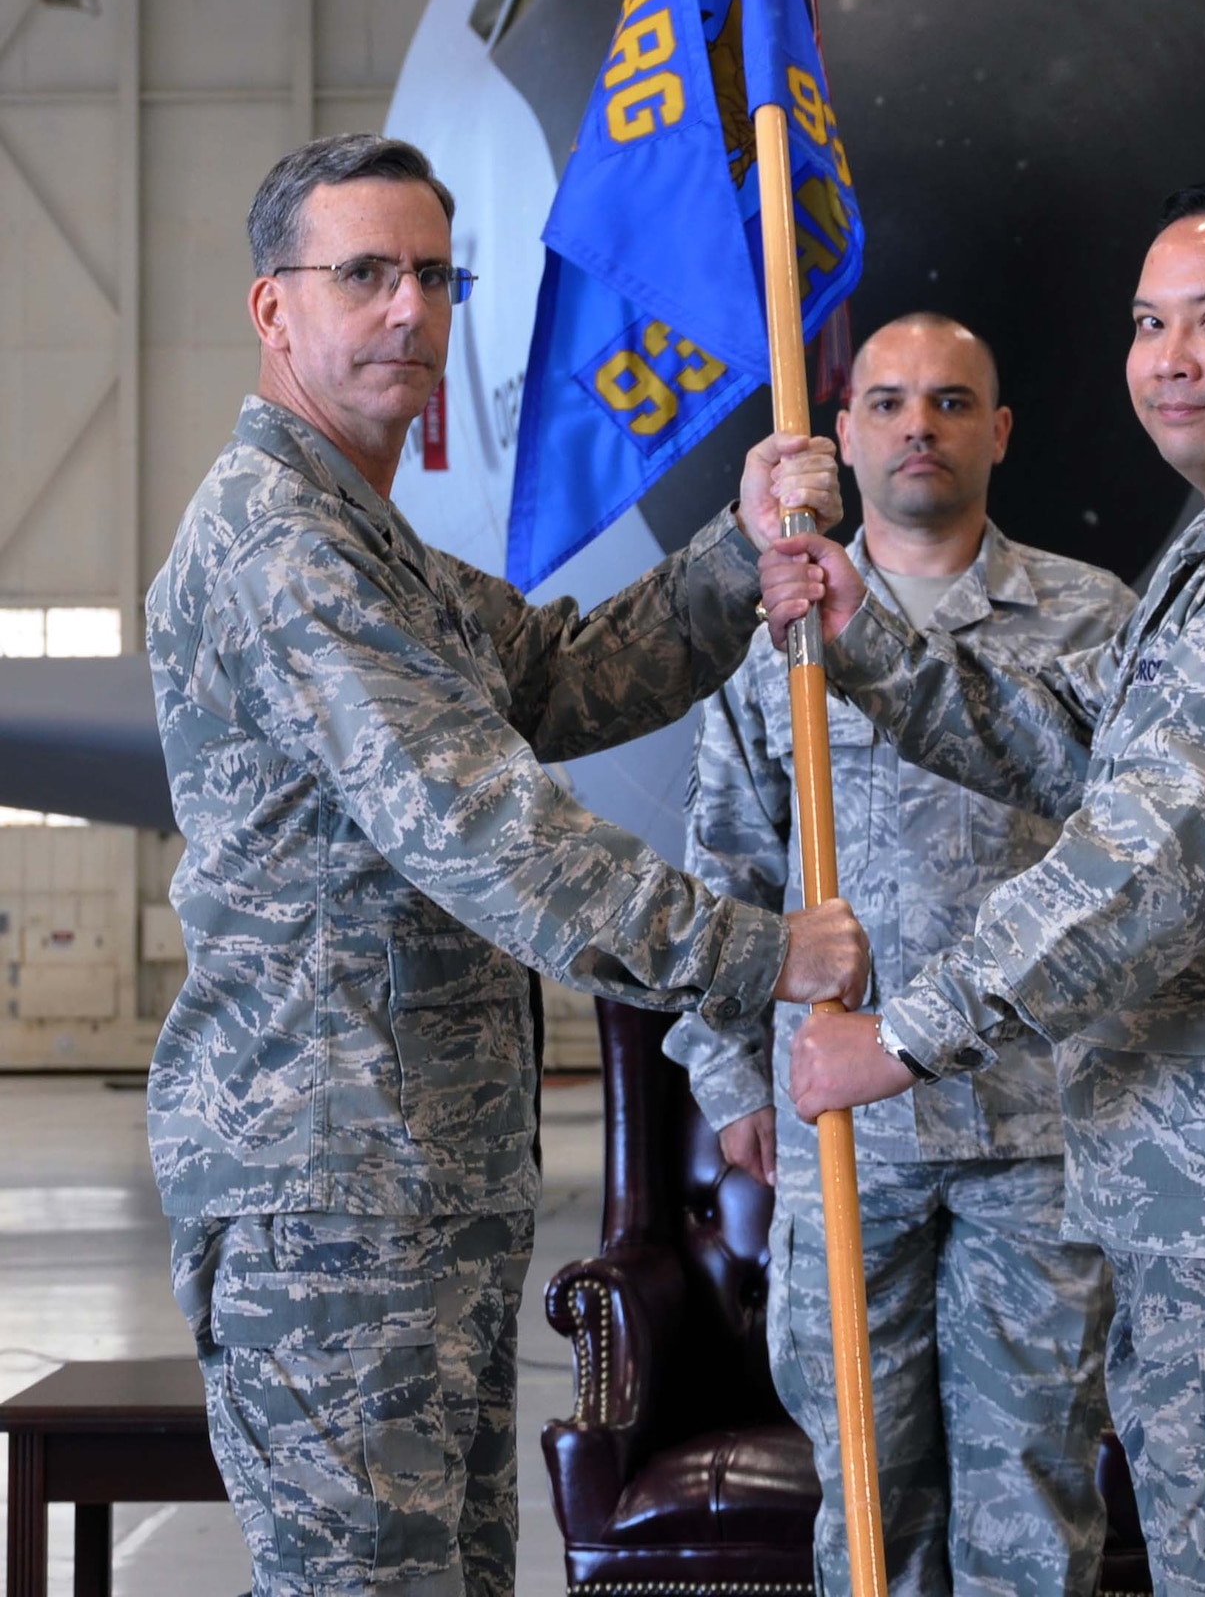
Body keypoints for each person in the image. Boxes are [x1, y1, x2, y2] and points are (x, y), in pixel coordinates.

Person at [147, 133, 869, 1597]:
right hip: (332, 1191)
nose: (409, 308)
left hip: (415, 1181)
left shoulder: (368, 539)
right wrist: (757, 953)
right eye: (364, 273)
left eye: (433, 275)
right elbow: (479, 826)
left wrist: (737, 560)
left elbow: (560, 671)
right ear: (273, 307)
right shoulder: (282, 544)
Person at [760, 184, 1205, 1597]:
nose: (1169, 359)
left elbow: (1148, 859)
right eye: (1150, 324)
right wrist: (869, 640)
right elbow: (1074, 740)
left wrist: (903, 1035)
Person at [666, 315, 1135, 1597]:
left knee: (1031, 1492)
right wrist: (730, 1079)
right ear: (843, 434)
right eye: (884, 402)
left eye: (948, 400)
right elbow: (725, 871)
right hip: (843, 1136)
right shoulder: (779, 629)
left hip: (1037, 1134)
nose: (916, 424)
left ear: (1000, 430)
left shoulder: (1090, 617)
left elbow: (1134, 868)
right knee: (870, 1499)